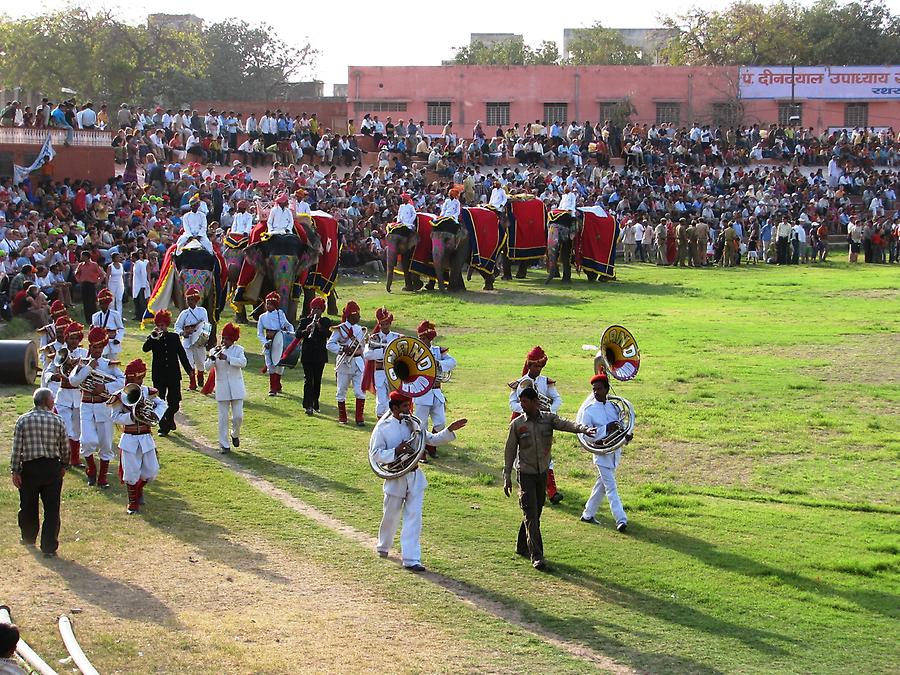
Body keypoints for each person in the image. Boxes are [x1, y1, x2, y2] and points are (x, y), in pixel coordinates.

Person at [372, 390, 467, 572]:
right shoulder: (382, 428)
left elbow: (430, 439)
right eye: (405, 406)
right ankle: (383, 546)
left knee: (414, 518)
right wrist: (396, 452)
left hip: (414, 477)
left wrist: (449, 431)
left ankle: (411, 558)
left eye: (409, 405)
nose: (409, 410)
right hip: (395, 477)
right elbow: (376, 454)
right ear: (394, 408)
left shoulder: (414, 424)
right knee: (390, 516)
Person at [503, 387, 594, 570]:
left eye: (525, 402)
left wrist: (583, 429)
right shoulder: (517, 425)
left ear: (535, 402)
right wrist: (507, 476)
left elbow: (566, 424)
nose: (522, 405)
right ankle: (537, 556)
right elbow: (510, 451)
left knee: (535, 513)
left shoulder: (548, 419)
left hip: (542, 473)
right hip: (526, 474)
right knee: (530, 513)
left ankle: (522, 546)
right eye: (520, 402)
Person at [11, 388, 68, 558]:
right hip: (51, 468)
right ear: (46, 401)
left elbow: (17, 449)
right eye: (52, 399)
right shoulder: (58, 420)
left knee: (28, 504)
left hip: (30, 468)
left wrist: (15, 470)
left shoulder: (23, 420)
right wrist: (64, 465)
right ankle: (49, 546)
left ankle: (28, 537)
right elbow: (64, 446)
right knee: (52, 508)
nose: (53, 402)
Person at [68, 327, 124, 488]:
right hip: (86, 405)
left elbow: (123, 381)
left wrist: (105, 388)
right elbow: (74, 381)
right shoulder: (82, 362)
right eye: (94, 347)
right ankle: (91, 469)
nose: (97, 350)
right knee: (87, 441)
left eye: (100, 347)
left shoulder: (109, 364)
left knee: (106, 443)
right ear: (90, 347)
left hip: (103, 406)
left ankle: (102, 478)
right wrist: (88, 367)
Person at [109, 359, 167, 514]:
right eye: (136, 379)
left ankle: (138, 490)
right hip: (129, 437)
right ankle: (132, 502)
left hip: (146, 436)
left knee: (152, 471)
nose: (140, 382)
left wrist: (154, 414)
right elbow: (115, 417)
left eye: (141, 378)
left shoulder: (148, 391)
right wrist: (131, 418)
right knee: (131, 471)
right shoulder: (120, 396)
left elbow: (163, 404)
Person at [577, 373, 633, 531]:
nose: (596, 392)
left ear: (607, 389)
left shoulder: (614, 406)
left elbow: (622, 426)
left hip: (614, 452)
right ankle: (621, 519)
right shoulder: (589, 410)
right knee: (611, 487)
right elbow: (585, 434)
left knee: (601, 485)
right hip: (601, 454)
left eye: (599, 389)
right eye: (594, 389)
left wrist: (626, 437)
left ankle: (588, 514)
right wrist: (605, 429)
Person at [508, 346, 564, 503]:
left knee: (546, 455)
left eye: (540, 366)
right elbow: (512, 404)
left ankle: (552, 492)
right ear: (529, 365)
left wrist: (548, 410)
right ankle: (525, 490)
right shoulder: (519, 383)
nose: (538, 369)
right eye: (535, 366)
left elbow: (558, 399)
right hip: (523, 424)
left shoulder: (547, 382)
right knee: (521, 458)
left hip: (541, 423)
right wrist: (528, 408)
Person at [142, 310, 193, 436]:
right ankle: (163, 427)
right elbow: (145, 349)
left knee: (174, 402)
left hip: (173, 375)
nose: (160, 328)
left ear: (167, 325)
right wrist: (152, 337)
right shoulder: (153, 338)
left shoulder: (174, 337)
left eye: (163, 325)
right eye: (158, 325)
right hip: (159, 375)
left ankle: (169, 418)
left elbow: (181, 354)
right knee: (160, 401)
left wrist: (189, 370)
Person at [412, 320, 456, 458]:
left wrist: (439, 363)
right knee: (421, 424)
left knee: (441, 422)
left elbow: (453, 362)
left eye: (424, 338)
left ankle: (431, 445)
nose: (422, 340)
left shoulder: (438, 351)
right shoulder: (414, 352)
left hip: (436, 392)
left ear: (430, 339)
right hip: (422, 393)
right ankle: (421, 451)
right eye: (420, 338)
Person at [48, 322, 87, 468]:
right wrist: (53, 377)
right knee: (65, 428)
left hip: (78, 396)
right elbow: (49, 371)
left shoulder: (84, 354)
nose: (74, 341)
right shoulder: (59, 354)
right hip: (63, 396)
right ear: (66, 338)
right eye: (71, 338)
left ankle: (75, 459)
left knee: (77, 429)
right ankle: (63, 458)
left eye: (77, 338)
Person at [205, 323, 246, 453]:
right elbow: (206, 367)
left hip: (236, 387)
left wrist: (227, 358)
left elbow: (243, 363)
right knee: (223, 418)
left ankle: (235, 434)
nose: (224, 341)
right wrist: (213, 357)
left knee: (238, 417)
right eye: (223, 338)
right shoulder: (214, 351)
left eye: (227, 338)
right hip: (222, 387)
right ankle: (224, 444)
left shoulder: (239, 350)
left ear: (233, 339)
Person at [326, 300, 367, 425]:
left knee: (360, 391)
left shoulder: (360, 330)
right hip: (344, 361)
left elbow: (363, 347)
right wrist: (342, 349)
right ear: (350, 316)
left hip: (358, 362)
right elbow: (329, 344)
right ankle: (342, 417)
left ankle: (359, 418)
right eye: (356, 315)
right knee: (341, 390)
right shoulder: (340, 329)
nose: (359, 317)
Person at [293, 296, 332, 415]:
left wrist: (320, 327)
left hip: (319, 355)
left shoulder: (326, 321)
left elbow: (329, 334)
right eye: (314, 308)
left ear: (322, 310)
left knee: (317, 380)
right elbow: (297, 334)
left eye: (318, 308)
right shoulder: (304, 321)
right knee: (308, 380)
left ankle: (316, 402)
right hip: (307, 355)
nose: (315, 311)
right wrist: (306, 330)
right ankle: (308, 405)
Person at [363, 307, 402, 417]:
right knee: (381, 401)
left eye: (387, 324)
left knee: (395, 399)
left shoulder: (397, 337)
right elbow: (367, 354)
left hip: (394, 373)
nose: (385, 326)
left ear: (390, 323)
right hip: (380, 372)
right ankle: (380, 426)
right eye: (382, 324)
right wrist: (385, 351)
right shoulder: (374, 338)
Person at [256, 291, 294, 396]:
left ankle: (277, 384)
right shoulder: (262, 317)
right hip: (269, 343)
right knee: (270, 364)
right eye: (267, 303)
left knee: (279, 364)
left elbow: (288, 325)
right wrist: (264, 342)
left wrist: (290, 334)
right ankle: (273, 388)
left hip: (280, 341)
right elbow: (259, 333)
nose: (268, 306)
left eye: (271, 304)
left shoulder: (280, 314)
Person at [175, 288, 210, 391]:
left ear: (196, 300)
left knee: (200, 362)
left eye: (192, 300)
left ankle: (200, 377)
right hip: (187, 341)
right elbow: (177, 326)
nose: (190, 302)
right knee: (188, 362)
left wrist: (199, 332)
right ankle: (192, 383)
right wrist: (183, 333)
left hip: (199, 341)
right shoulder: (184, 314)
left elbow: (206, 325)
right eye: (188, 300)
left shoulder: (202, 311)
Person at [91, 288, 124, 362]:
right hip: (100, 343)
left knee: (112, 362)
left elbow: (121, 328)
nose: (102, 305)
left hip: (112, 341)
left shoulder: (115, 314)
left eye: (104, 303)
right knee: (100, 361)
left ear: (108, 304)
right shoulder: (95, 316)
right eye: (100, 303)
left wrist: (118, 339)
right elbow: (94, 329)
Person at [74, 250, 105, 323]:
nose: (81, 257)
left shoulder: (94, 265)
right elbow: (76, 273)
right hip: (84, 284)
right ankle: (87, 319)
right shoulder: (81, 265)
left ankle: (94, 317)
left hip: (91, 284)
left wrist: (99, 282)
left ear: (86, 257)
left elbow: (102, 274)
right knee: (85, 302)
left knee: (92, 302)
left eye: (82, 256)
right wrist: (79, 280)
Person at [106, 252, 126, 316]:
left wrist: (124, 283)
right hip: (112, 284)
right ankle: (112, 314)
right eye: (117, 257)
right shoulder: (110, 266)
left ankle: (119, 315)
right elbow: (107, 276)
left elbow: (122, 275)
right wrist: (107, 286)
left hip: (120, 284)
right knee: (112, 300)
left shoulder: (121, 265)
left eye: (119, 257)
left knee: (119, 299)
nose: (119, 258)